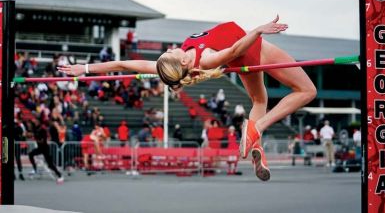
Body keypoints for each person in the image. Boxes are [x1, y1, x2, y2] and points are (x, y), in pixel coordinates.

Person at [58, 16, 316, 181]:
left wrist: (87, 69)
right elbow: (237, 49)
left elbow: (126, 65)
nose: (169, 48)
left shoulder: (172, 65)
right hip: (252, 49)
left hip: (242, 55)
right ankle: (257, 128)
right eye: (169, 51)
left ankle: (256, 144)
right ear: (181, 60)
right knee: (307, 90)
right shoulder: (205, 60)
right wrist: (258, 30)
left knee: (260, 102)